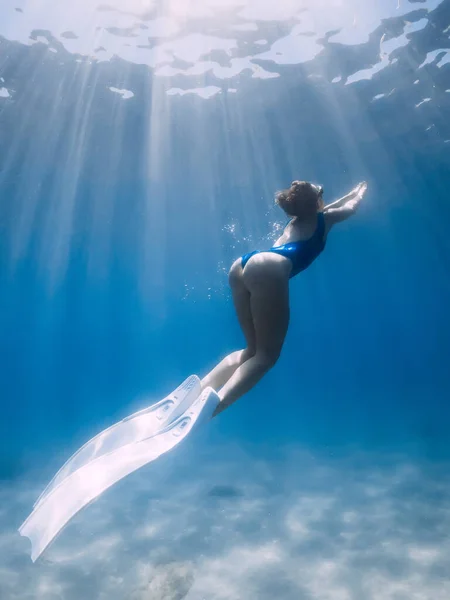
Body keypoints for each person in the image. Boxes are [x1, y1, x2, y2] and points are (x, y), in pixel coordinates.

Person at [201, 180, 368, 417]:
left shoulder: (296, 221)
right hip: (269, 268)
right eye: (321, 192)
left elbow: (325, 206)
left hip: (243, 264)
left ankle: (200, 391)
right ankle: (214, 407)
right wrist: (360, 193)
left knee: (251, 350)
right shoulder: (325, 219)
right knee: (267, 356)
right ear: (316, 201)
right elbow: (350, 208)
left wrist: (346, 192)